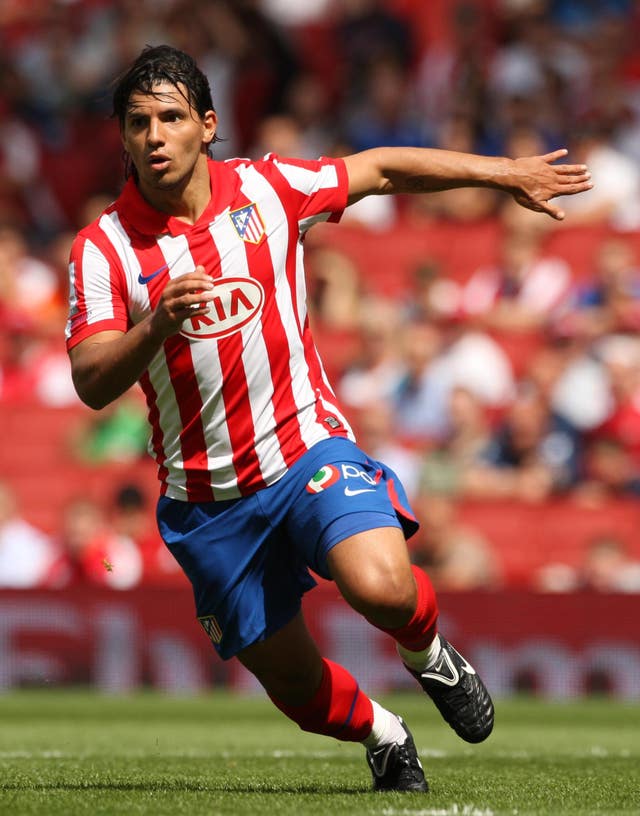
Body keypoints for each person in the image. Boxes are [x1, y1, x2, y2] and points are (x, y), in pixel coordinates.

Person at [65, 45, 592, 793]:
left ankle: (428, 652)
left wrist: (504, 174)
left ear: (207, 125)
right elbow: (88, 381)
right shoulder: (103, 248)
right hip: (207, 501)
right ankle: (383, 732)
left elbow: (378, 169)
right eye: (139, 121)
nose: (154, 135)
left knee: (383, 588)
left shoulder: (269, 188)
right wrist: (154, 327)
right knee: (301, 694)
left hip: (304, 448)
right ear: (121, 137)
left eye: (172, 118)